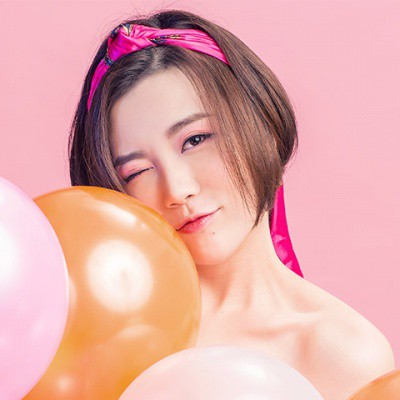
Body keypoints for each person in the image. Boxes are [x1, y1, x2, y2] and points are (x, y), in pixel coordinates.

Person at [68, 9, 395, 399]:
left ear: (262, 125)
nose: (177, 189)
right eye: (137, 171)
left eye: (195, 140)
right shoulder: (103, 332)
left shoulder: (342, 353)